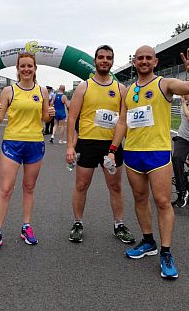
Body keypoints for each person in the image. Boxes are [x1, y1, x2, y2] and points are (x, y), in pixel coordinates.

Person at [108, 46, 189, 279]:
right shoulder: (128, 91)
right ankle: (148, 241)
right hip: (132, 154)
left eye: (148, 58)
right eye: (140, 58)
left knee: (161, 201)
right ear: (134, 62)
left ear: (155, 61)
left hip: (157, 154)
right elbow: (122, 121)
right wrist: (112, 150)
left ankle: (166, 252)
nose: (144, 61)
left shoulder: (165, 84)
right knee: (140, 199)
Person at [65, 45, 135, 245]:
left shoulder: (120, 88)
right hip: (87, 144)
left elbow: (123, 120)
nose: (105, 60)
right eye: (101, 57)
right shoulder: (84, 87)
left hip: (111, 146)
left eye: (108, 58)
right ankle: (78, 223)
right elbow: (72, 118)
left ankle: (119, 224)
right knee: (81, 185)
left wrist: (117, 146)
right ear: (95, 61)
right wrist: (70, 146)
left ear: (112, 61)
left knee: (115, 186)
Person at [0, 53, 55, 254]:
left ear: (35, 69)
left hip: (34, 143)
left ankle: (26, 227)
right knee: (6, 189)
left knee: (29, 188)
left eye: (29, 66)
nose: (26, 69)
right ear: (17, 68)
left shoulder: (42, 91)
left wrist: (49, 116)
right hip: (12, 143)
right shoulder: (9, 90)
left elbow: (44, 119)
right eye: (22, 66)